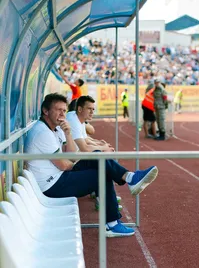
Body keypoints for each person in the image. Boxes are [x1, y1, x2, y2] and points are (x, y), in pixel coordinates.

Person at [24, 93, 159, 237]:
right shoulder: (42, 132)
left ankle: (130, 178)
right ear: (46, 111)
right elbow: (65, 164)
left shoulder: (55, 129)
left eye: (64, 110)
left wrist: (68, 134)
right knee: (100, 174)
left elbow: (70, 156)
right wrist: (76, 163)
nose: (62, 114)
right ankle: (113, 222)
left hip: (58, 175)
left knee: (98, 157)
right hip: (51, 185)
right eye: (58, 110)